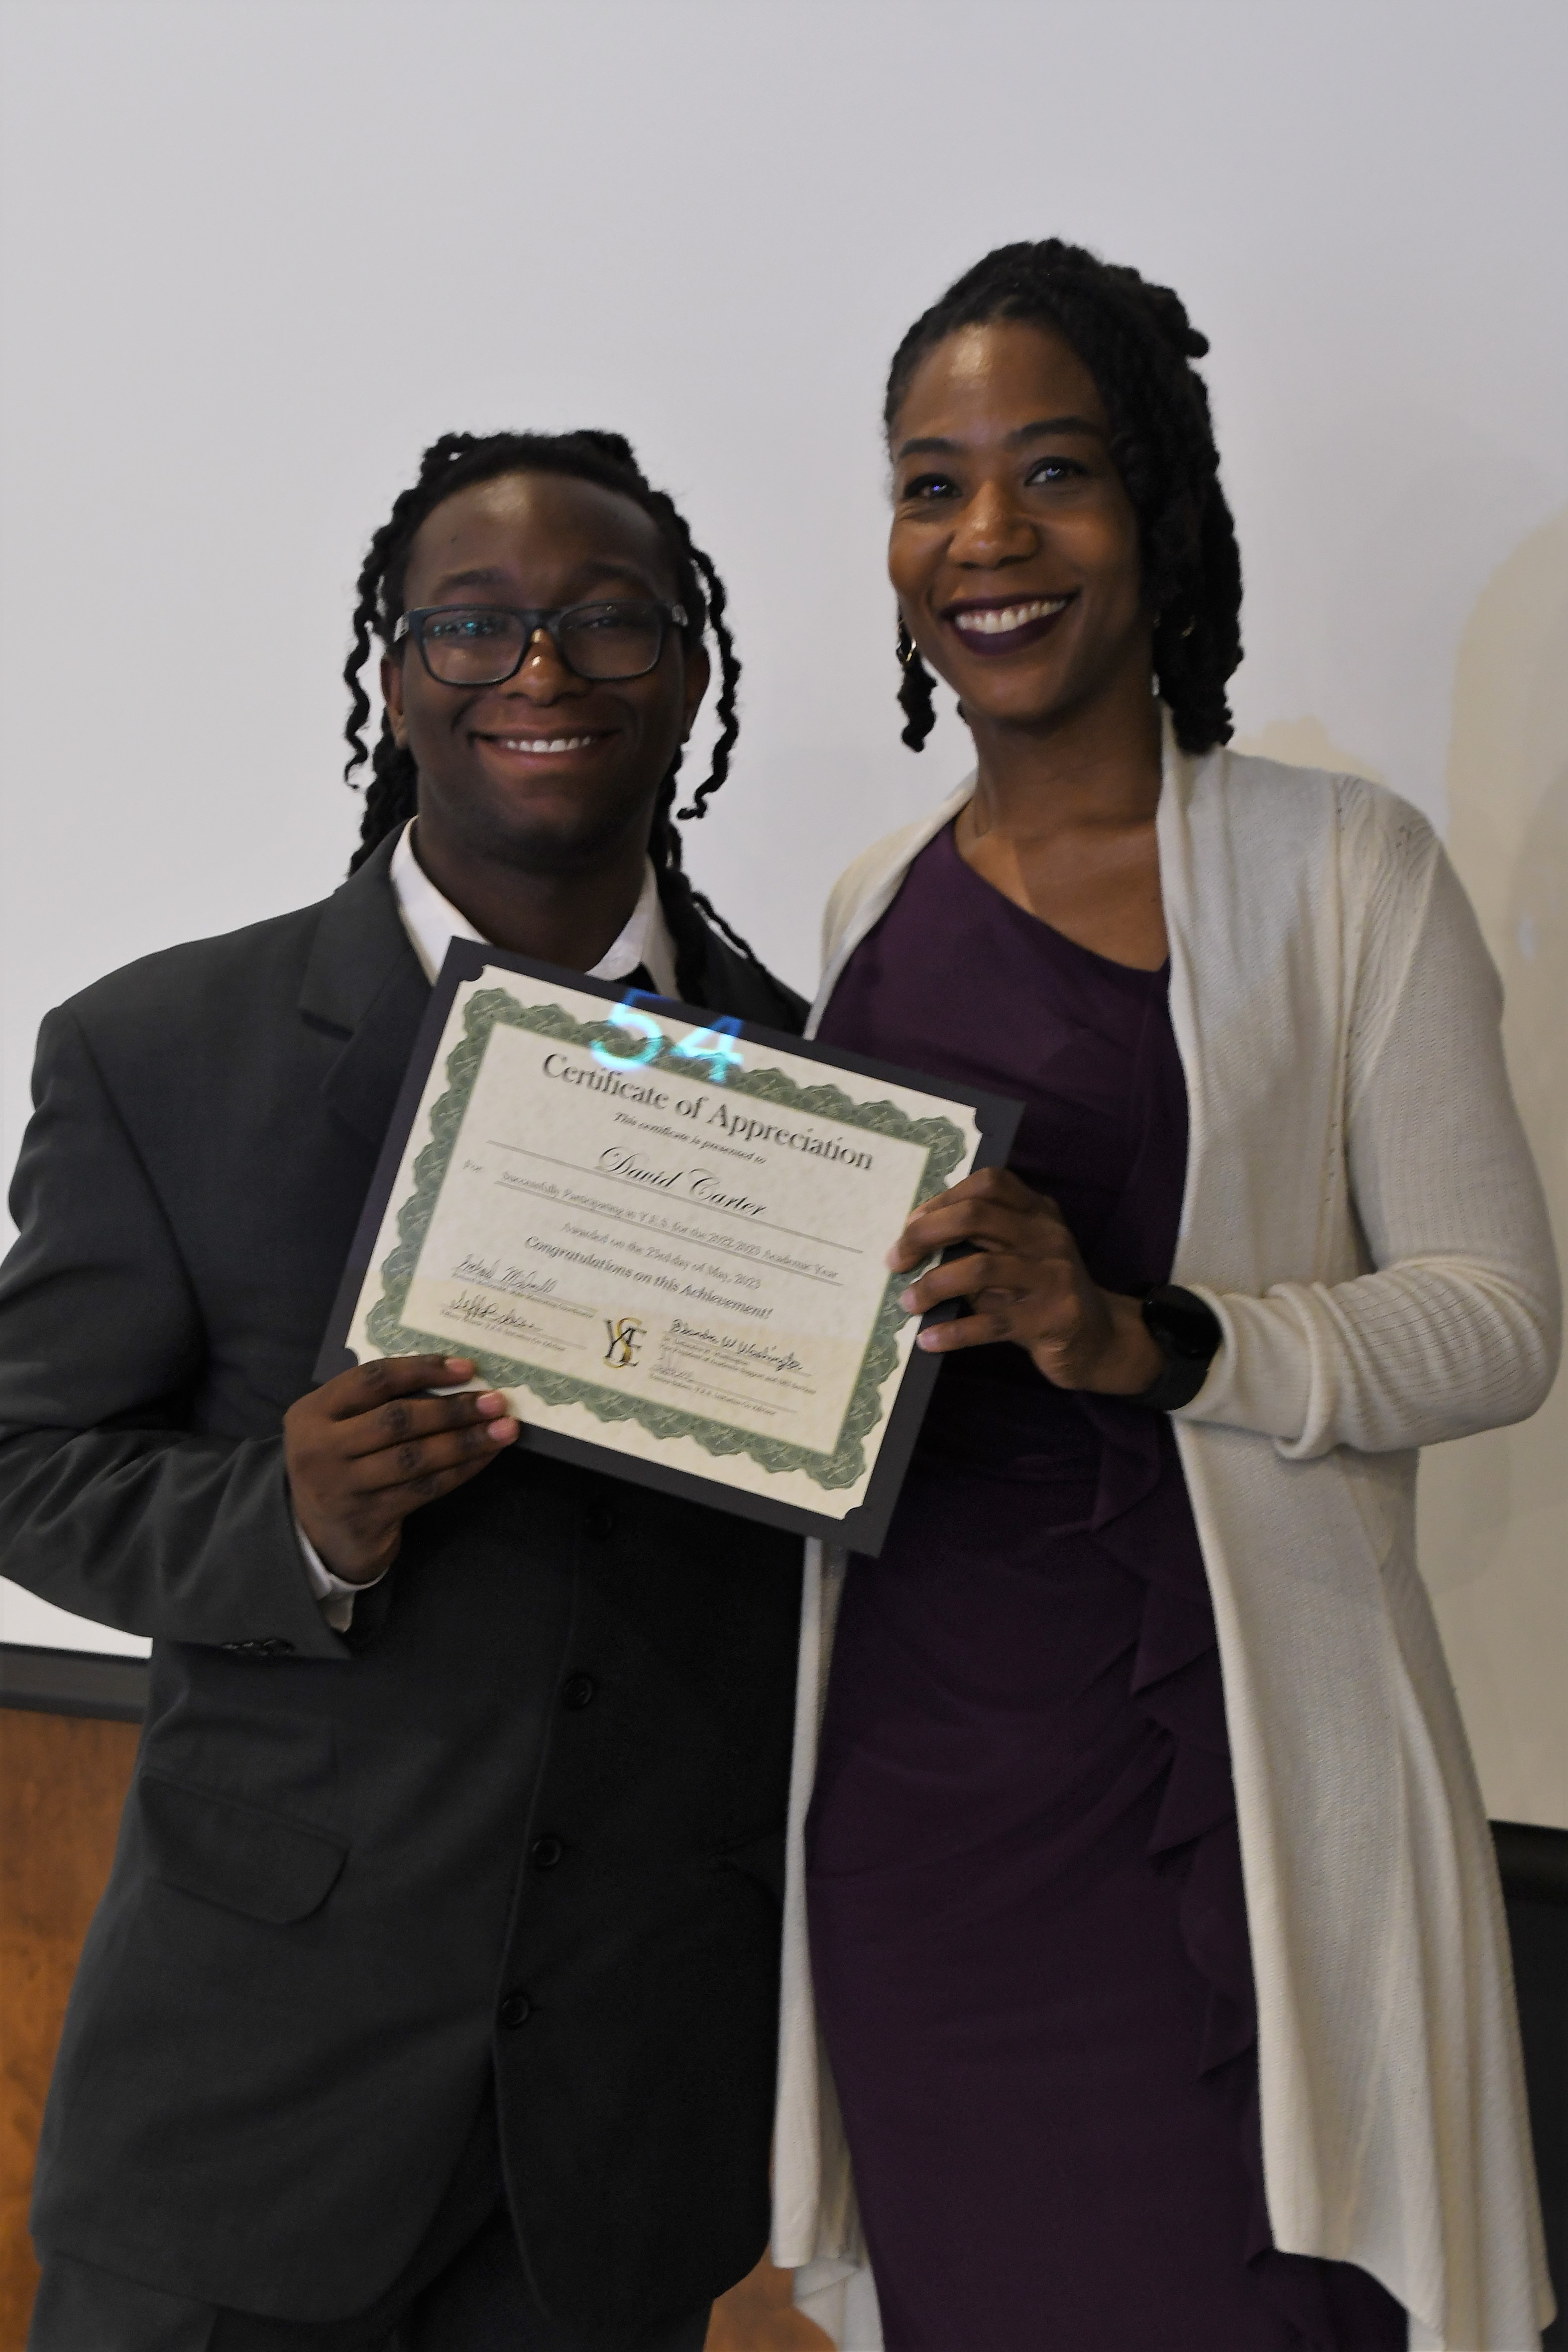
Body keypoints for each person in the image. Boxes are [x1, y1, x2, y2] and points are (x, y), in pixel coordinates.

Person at [769, 243, 1558, 2352]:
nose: (986, 536)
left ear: (1163, 514)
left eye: (1053, 470)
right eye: (929, 484)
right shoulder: (869, 908)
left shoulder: (1339, 869)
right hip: (917, 1800)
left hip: (1210, 1803)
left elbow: (1495, 1314)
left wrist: (1154, 1331)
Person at [0, 427, 806, 2351]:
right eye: (476, 624)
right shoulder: (156, 1047)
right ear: (394, 673)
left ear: (687, 675)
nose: (541, 671)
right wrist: (283, 1519)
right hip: (244, 2119)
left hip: (615, 2145)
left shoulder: (813, 1095)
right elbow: (23, 1462)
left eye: (610, 623)